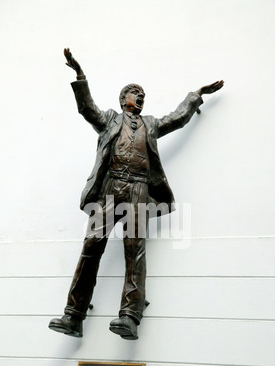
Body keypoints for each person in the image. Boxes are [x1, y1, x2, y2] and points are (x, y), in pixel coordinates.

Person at [48, 48, 224, 340]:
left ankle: (129, 316)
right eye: (134, 93)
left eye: (143, 95)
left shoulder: (151, 125)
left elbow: (178, 118)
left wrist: (196, 95)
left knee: (135, 250)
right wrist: (80, 75)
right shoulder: (108, 120)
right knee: (91, 247)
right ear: (122, 99)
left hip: (139, 189)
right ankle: (73, 315)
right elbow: (86, 108)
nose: (140, 97)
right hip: (108, 190)